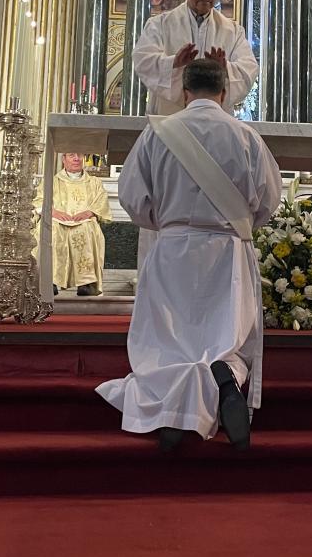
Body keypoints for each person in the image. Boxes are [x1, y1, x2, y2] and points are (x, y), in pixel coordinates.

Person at [98, 59, 282, 451]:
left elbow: (133, 199)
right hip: (227, 252)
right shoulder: (246, 136)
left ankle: (172, 412)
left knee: (168, 343)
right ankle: (222, 379)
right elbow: (268, 201)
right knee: (224, 337)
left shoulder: (157, 135)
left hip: (173, 249)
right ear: (224, 92)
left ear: (184, 92)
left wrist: (168, 223)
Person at [132, 0, 258, 117]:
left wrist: (224, 67)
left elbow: (249, 70)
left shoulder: (233, 31)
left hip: (215, 122)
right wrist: (173, 62)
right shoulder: (159, 25)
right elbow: (143, 61)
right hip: (169, 123)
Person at [52, 153, 111, 296]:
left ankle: (86, 283)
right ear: (64, 159)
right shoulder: (53, 181)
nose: (76, 159)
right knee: (52, 230)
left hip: (84, 221)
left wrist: (90, 212)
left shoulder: (94, 182)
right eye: (72, 155)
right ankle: (50, 281)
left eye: (79, 155)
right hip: (58, 221)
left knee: (86, 228)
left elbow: (101, 201)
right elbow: (39, 199)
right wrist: (52, 211)